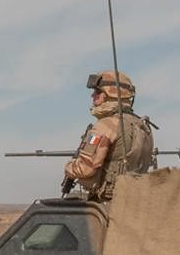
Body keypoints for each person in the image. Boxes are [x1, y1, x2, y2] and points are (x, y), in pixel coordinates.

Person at [62, 70, 155, 202]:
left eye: (97, 92)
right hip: (135, 201)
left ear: (107, 95)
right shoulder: (143, 126)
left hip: (108, 202)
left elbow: (86, 168)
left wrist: (69, 167)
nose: (93, 96)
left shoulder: (106, 125)